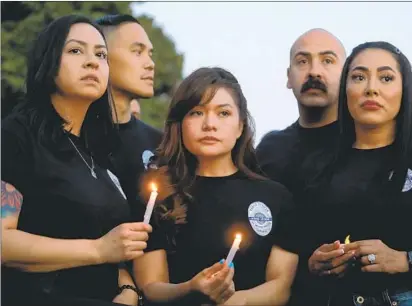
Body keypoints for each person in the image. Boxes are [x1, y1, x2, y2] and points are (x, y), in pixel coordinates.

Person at [1, 15, 152, 306]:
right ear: (49, 61)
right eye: (75, 50)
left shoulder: (100, 153)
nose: (92, 62)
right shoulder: (15, 136)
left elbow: (115, 248)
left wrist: (129, 292)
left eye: (100, 54)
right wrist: (98, 250)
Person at [294, 41, 412, 306]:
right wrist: (314, 264)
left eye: (386, 77)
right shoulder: (315, 168)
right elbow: (292, 259)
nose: (371, 88)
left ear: (405, 90)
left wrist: (408, 261)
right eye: (358, 77)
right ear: (345, 90)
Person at [132, 67, 299, 306]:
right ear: (180, 123)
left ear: (240, 126)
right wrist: (191, 289)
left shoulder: (275, 198)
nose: (210, 124)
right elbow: (150, 287)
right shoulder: (158, 195)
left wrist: (232, 301)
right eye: (197, 112)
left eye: (223, 113)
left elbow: (281, 288)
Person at [255, 28, 346, 303]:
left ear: (347, 76)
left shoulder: (364, 145)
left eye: (328, 61)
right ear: (288, 77)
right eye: (302, 61)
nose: (314, 72)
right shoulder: (269, 149)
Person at [95, 14, 163, 220]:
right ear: (102, 56)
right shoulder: (69, 137)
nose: (150, 63)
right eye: (137, 51)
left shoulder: (160, 145)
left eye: (150, 54)